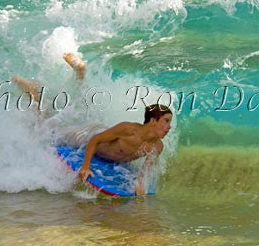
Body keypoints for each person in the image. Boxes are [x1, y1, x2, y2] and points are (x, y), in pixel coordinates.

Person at [12, 52, 172, 196]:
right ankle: (33, 94)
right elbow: (94, 140)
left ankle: (79, 74)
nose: (169, 127)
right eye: (166, 121)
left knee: (66, 117)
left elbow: (145, 170)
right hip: (87, 134)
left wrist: (140, 185)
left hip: (102, 144)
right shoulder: (128, 129)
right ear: (152, 121)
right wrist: (86, 166)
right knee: (48, 131)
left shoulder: (157, 147)